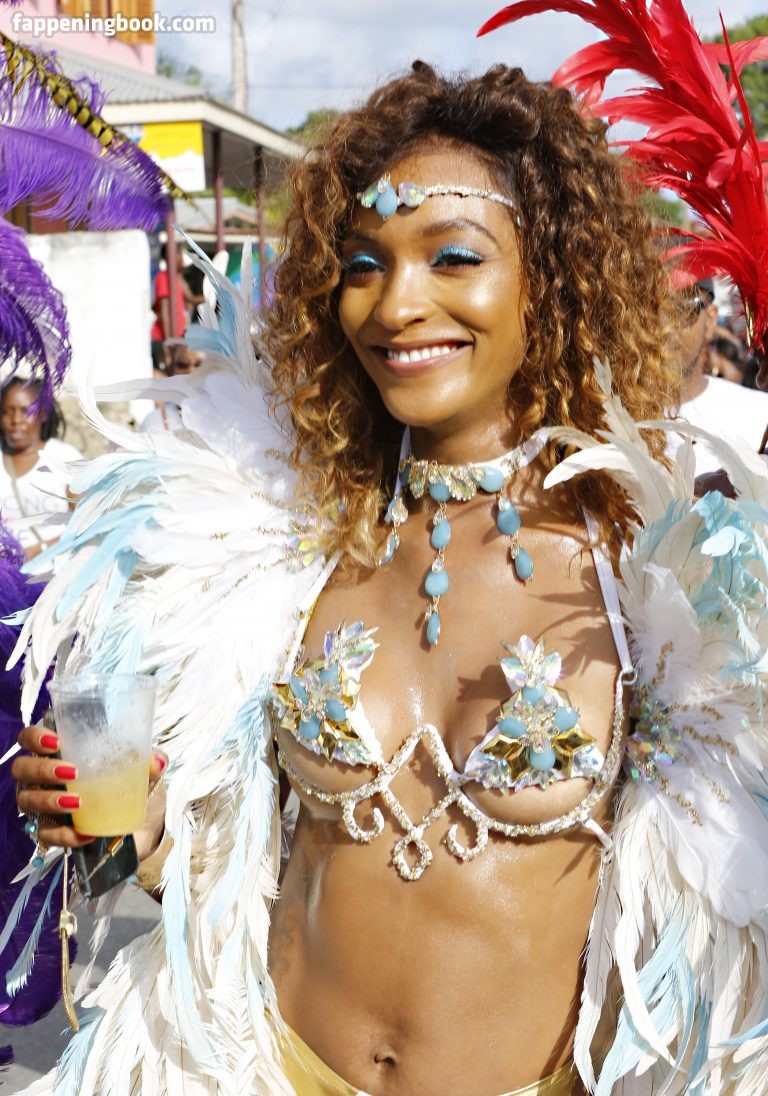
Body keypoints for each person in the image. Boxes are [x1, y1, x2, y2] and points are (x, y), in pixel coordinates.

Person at [6, 62, 768, 1096]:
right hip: (272, 1068)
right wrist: (138, 833)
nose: (399, 305)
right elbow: (234, 872)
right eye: (363, 265)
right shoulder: (295, 538)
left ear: (551, 274)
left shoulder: (650, 567)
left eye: (454, 257)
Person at [678, 280, 768, 476]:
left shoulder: (760, 413)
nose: (661, 325)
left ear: (711, 319)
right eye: (646, 307)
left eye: (680, 309)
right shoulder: (609, 422)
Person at [0, 378, 82, 560]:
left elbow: (89, 523)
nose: (16, 420)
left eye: (26, 411)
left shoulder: (65, 458)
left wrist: (37, 551)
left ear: (43, 413)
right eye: (8, 411)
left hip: (57, 569)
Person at [139, 339, 205, 434]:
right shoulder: (154, 423)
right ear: (173, 372)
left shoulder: (225, 420)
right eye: (182, 364)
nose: (191, 371)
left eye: (200, 365)